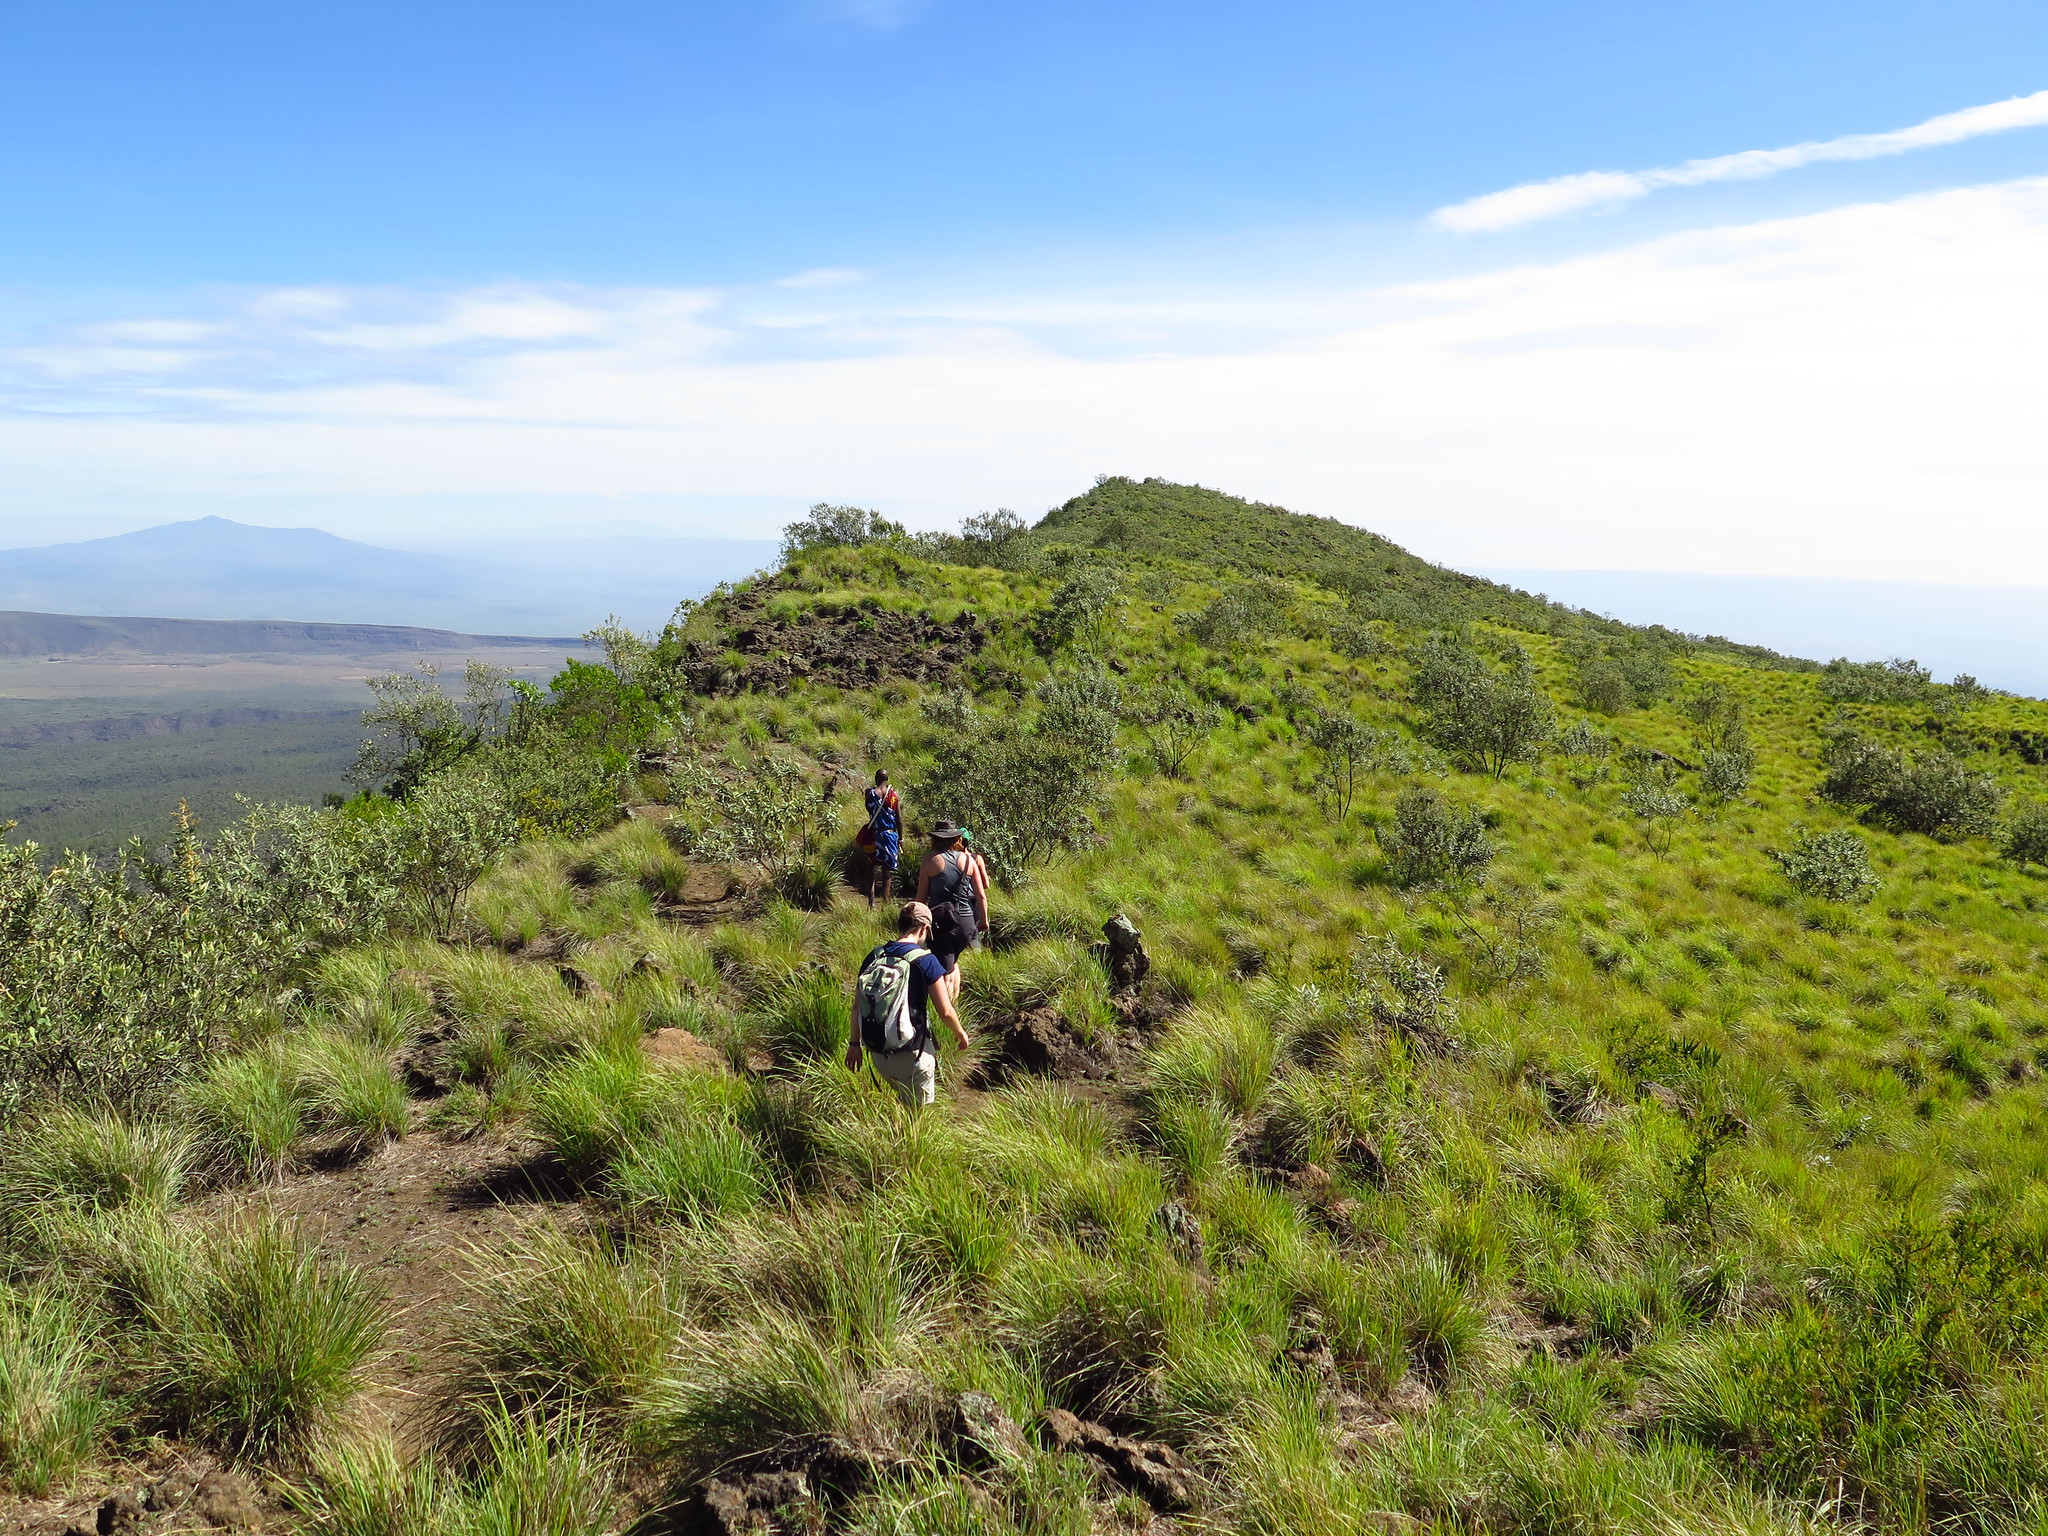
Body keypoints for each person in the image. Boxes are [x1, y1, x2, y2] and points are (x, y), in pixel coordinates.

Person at [846, 901, 969, 1110]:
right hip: (912, 1053)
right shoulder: (926, 961)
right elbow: (946, 1012)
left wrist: (854, 1045)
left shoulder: (874, 956)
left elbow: (856, 1007)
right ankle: (906, 1141)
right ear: (925, 928)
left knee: (902, 1101)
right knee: (916, 1116)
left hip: (878, 1053)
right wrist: (959, 1032)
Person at [917, 820, 989, 970]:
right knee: (952, 963)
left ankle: (944, 993)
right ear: (956, 839)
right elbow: (981, 895)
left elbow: (921, 898)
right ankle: (953, 992)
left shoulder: (929, 861)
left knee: (944, 968)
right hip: (966, 922)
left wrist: (918, 923)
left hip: (941, 923)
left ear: (935, 839)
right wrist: (984, 920)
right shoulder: (969, 860)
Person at [859, 770, 902, 907]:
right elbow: (899, 819)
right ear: (887, 778)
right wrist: (901, 838)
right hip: (890, 835)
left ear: (875, 778)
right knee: (886, 869)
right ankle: (886, 902)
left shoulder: (870, 793)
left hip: (874, 833)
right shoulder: (894, 796)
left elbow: (868, 809)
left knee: (870, 866)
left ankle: (871, 901)